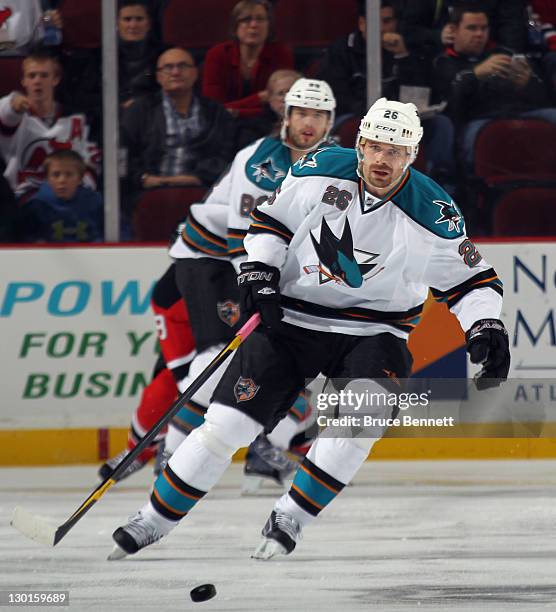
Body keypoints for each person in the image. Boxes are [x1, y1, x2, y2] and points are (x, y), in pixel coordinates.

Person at [109, 97, 510, 560]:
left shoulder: (434, 212)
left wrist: (485, 324)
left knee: (365, 417)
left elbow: (473, 281)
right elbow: (270, 222)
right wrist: (259, 271)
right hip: (292, 318)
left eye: (396, 151)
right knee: (226, 425)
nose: (383, 160)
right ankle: (153, 521)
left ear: (413, 155)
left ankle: (291, 517)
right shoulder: (320, 167)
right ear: (359, 143)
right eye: (376, 147)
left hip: (375, 331)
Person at [100, 78, 335, 493]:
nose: (308, 123)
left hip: (252, 266)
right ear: (287, 116)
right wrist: (262, 288)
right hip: (212, 260)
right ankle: (172, 453)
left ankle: (272, 443)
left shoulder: (332, 164)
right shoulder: (261, 161)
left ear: (330, 121)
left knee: (277, 355)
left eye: (318, 114)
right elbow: (239, 239)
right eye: (301, 112)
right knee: (217, 357)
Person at [318, 0, 456, 182]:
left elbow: (420, 92)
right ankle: (350, 176)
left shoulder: (405, 48)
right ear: (362, 23)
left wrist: (403, 56)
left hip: (399, 119)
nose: (382, 28)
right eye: (377, 21)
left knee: (440, 124)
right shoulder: (342, 50)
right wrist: (372, 113)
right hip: (356, 114)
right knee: (350, 125)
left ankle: (437, 181)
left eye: (388, 21)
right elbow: (336, 95)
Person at [432, 5, 556, 169]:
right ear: (454, 31)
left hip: (518, 112)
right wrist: (474, 75)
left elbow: (541, 98)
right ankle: (472, 186)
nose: (479, 34)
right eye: (472, 28)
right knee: (476, 136)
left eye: (484, 28)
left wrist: (528, 83)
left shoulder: (502, 54)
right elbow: (451, 106)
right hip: (477, 120)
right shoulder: (443, 62)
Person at [121, 47, 235, 201]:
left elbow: (226, 154)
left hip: (204, 193)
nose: (175, 72)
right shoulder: (140, 110)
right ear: (159, 76)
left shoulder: (216, 112)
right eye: (168, 67)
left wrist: (199, 176)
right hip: (148, 192)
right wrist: (142, 178)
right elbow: (124, 152)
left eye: (182, 66)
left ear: (195, 73)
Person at [0, 50, 100, 204]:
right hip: (25, 198)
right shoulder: (15, 116)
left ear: (56, 79)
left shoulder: (76, 118)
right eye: (32, 76)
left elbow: (88, 163)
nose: (37, 81)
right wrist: (12, 106)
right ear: (23, 81)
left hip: (71, 197)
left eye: (44, 75)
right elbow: (6, 118)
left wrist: (81, 190)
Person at [201, 0, 294, 119]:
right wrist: (259, 98)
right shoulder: (217, 55)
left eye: (260, 19)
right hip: (222, 127)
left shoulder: (281, 54)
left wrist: (237, 112)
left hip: (269, 124)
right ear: (235, 26)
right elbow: (212, 109)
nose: (254, 25)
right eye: (246, 19)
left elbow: (283, 105)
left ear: (269, 26)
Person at [18, 149, 103, 242]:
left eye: (69, 174)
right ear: (47, 178)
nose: (62, 180)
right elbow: (24, 238)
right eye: (56, 174)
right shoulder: (36, 206)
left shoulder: (96, 203)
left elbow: (117, 231)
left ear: (80, 178)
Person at [400, 0, 527, 57]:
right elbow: (408, 31)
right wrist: (438, 36)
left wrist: (506, 57)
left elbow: (513, 27)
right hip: (438, 64)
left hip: (492, 59)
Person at [234, 68, 301, 150]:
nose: (286, 98)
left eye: (292, 92)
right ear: (270, 98)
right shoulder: (251, 129)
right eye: (280, 93)